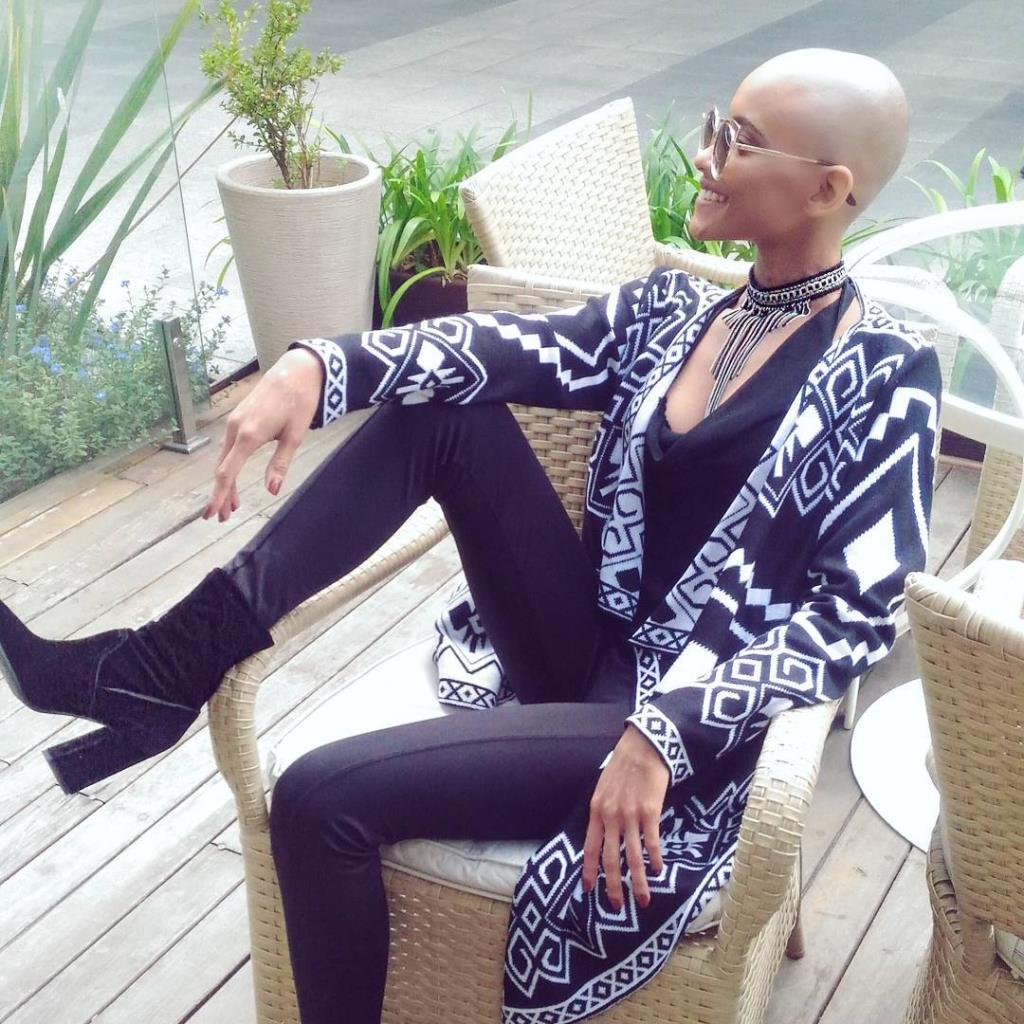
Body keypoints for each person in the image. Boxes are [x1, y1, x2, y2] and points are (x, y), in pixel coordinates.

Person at [0, 47, 942, 1024]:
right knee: (440, 411)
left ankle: (149, 682)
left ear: (827, 188)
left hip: (673, 725)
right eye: (715, 124)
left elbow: (855, 616)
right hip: (577, 647)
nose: (704, 155)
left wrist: (671, 729)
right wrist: (321, 365)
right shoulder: (670, 315)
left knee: (318, 798)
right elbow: (496, 347)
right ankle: (163, 664)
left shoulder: (885, 377)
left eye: (738, 140)